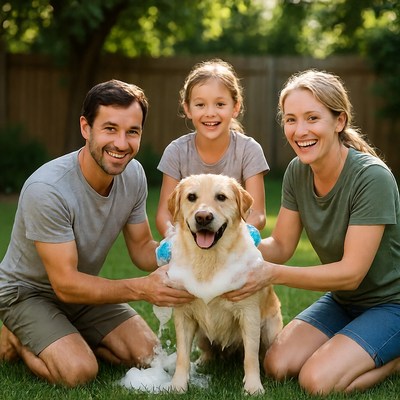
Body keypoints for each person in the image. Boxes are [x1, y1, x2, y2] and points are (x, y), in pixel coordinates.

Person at [0, 79, 194, 387]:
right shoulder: (48, 190)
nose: (121, 143)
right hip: (28, 294)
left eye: (133, 131)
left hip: (84, 292)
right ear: (85, 127)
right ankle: (18, 336)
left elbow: (143, 248)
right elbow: (64, 284)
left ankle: (64, 334)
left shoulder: (133, 175)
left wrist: (182, 252)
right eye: (110, 128)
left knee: (147, 354)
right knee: (79, 372)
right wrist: (143, 289)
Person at [224, 69, 400, 395]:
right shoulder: (297, 171)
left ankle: (393, 358)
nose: (300, 130)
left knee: (316, 381)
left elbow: (350, 274)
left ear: (339, 121)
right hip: (344, 301)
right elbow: (281, 245)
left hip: (391, 304)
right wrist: (228, 245)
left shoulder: (372, 178)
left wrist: (270, 274)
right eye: (291, 120)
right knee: (277, 365)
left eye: (312, 118)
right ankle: (357, 341)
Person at [156, 59, 269, 236]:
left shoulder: (249, 150)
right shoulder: (176, 152)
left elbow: (257, 214)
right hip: (188, 243)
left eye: (220, 104)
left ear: (236, 107)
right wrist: (173, 238)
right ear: (187, 109)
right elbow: (165, 213)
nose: (210, 113)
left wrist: (237, 237)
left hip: (233, 242)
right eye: (200, 105)